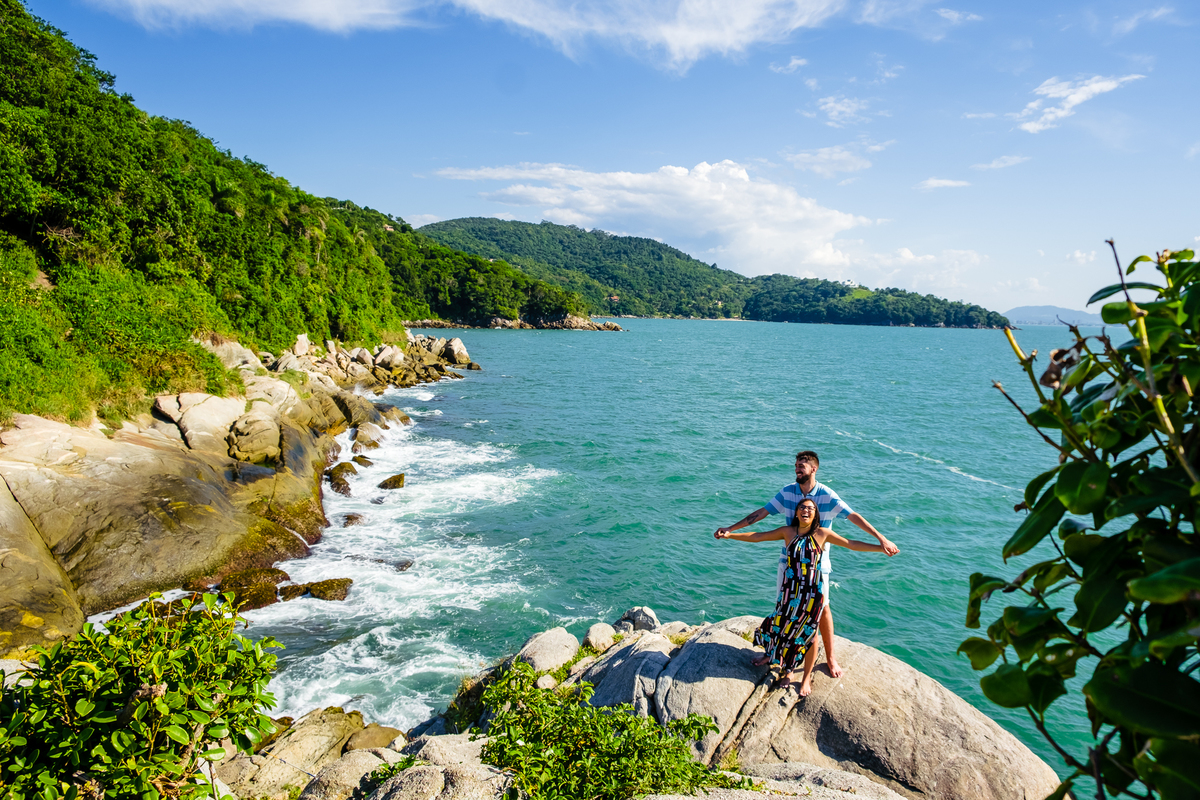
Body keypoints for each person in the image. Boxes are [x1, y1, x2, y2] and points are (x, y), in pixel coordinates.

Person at [714, 450, 897, 677]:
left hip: (817, 566)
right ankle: (775, 653)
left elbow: (853, 518)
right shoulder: (788, 492)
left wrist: (881, 540)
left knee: (823, 610)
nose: (797, 469)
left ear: (814, 469)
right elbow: (761, 514)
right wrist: (731, 529)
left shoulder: (827, 495)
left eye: (801, 466)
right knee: (783, 609)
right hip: (789, 564)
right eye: (796, 466)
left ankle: (830, 658)